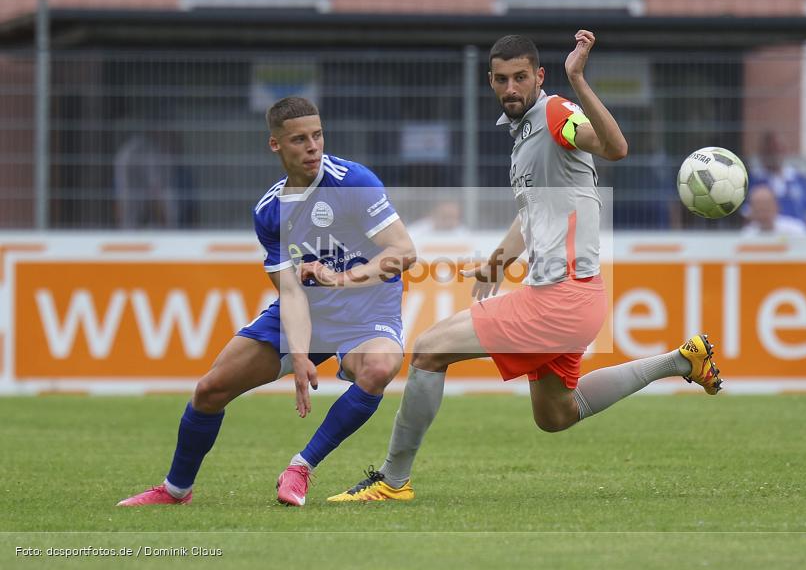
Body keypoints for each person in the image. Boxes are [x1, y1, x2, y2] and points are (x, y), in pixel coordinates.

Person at [327, 31, 722, 503]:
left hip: (562, 297)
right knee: (555, 415)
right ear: (490, 81)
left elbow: (615, 148)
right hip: (573, 297)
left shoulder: (555, 114)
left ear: (539, 76)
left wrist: (577, 78)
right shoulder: (525, 133)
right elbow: (532, 211)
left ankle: (392, 481)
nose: (510, 88)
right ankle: (681, 360)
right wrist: (498, 262)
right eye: (501, 80)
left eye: (520, 78)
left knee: (429, 350)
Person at [117, 97, 416, 508]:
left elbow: (403, 251)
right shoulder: (270, 210)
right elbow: (291, 290)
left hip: (366, 310)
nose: (313, 147)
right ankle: (175, 491)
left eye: (318, 136)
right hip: (308, 308)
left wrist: (342, 278)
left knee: (380, 367)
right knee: (210, 390)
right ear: (276, 145)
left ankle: (300, 468)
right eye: (299, 139)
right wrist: (298, 355)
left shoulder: (354, 182)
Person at [749, 132, 806, 230]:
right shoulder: (755, 180)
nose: (774, 155)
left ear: (784, 150)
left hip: (798, 235)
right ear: (762, 154)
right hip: (767, 235)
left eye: (777, 150)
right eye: (769, 151)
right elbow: (747, 215)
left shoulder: (797, 177)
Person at [741, 184, 806, 237]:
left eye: (766, 209)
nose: (763, 215)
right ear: (752, 212)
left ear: (776, 207)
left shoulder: (796, 230)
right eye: (758, 210)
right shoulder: (746, 235)